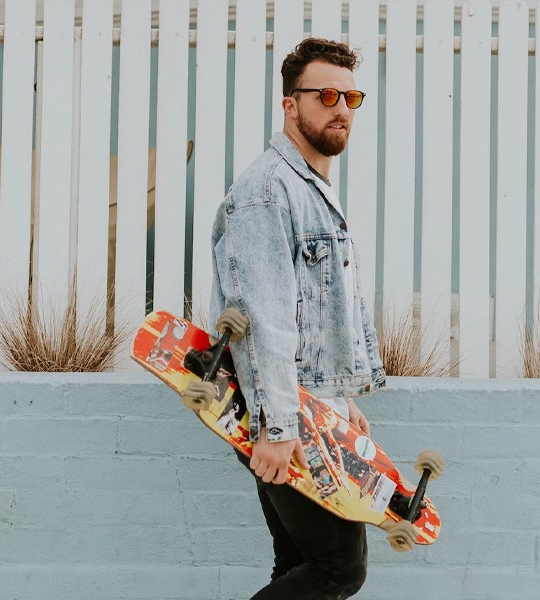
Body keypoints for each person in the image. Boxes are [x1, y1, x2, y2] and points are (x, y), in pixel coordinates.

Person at [181, 37, 385, 599]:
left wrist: (341, 401)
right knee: (339, 569)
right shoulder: (267, 191)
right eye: (325, 95)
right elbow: (261, 317)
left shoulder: (310, 189)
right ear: (290, 105)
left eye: (351, 97)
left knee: (296, 562)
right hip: (283, 416)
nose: (341, 108)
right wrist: (277, 427)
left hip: (309, 409)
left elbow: (314, 318)